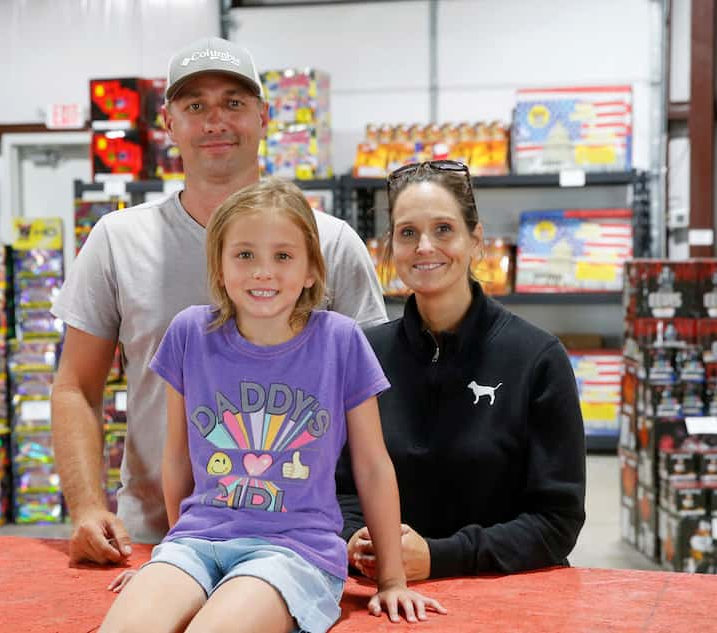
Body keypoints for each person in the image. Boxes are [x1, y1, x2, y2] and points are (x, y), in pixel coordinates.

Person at [50, 37, 387, 565]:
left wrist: (371, 533)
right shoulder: (118, 240)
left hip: (302, 541)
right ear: (168, 123)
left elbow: (374, 412)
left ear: (264, 115)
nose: (215, 121)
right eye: (195, 106)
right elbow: (75, 386)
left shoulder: (333, 243)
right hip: (155, 539)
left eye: (233, 102)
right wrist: (87, 507)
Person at [99, 178, 445, 633]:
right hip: (196, 542)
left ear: (310, 271)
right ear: (219, 267)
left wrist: (392, 578)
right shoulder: (188, 333)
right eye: (244, 255)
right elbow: (177, 455)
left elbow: (373, 465)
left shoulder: (340, 340)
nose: (263, 271)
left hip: (294, 550)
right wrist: (168, 557)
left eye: (283, 256)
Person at [335, 159, 587, 580]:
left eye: (444, 230)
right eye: (408, 233)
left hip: (505, 595)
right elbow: (342, 485)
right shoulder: (364, 354)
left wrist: (438, 557)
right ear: (391, 247)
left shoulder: (538, 358)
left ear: (476, 240)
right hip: (386, 596)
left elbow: (556, 522)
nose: (425, 247)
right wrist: (354, 536)